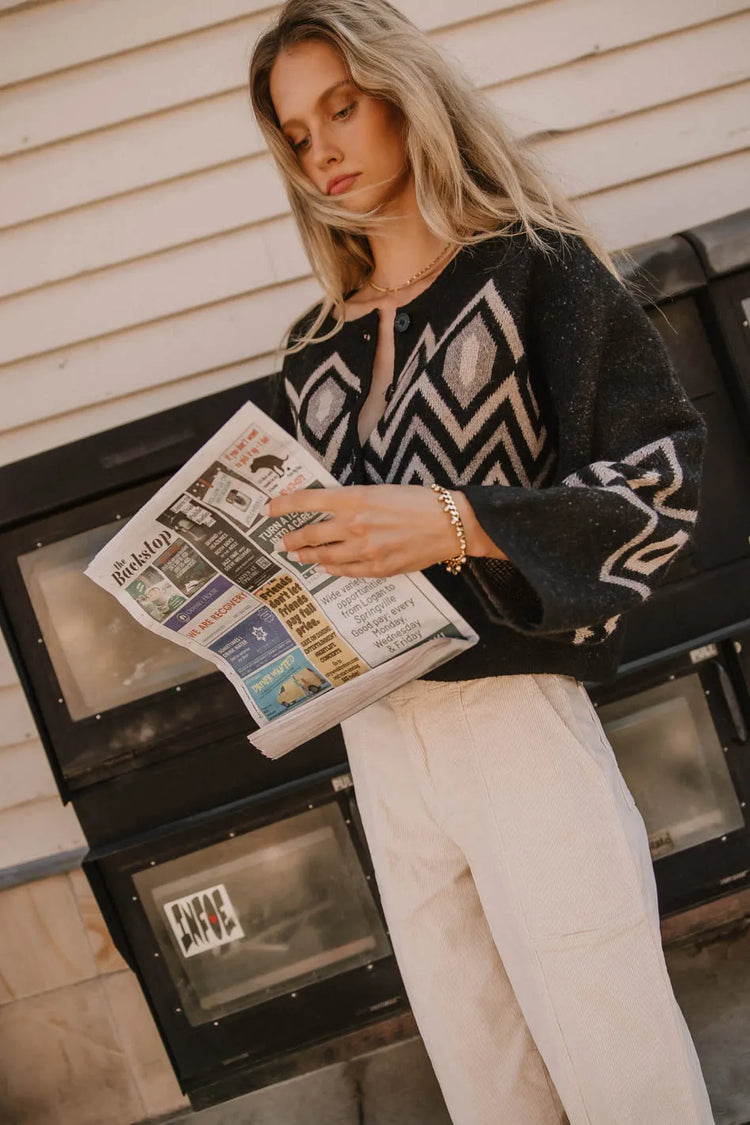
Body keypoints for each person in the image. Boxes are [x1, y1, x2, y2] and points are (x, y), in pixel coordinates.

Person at [249, 3, 715, 1122]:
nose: (323, 151)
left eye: (342, 109)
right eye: (297, 133)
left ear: (403, 92)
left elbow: (662, 485)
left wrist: (460, 521)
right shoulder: (312, 348)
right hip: (379, 733)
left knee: (616, 1058)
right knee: (483, 1074)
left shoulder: (536, 274)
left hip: (510, 716)